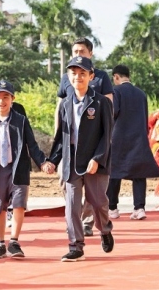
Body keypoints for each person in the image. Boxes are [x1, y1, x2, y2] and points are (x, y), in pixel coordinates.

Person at [44, 56, 114, 262]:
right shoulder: (65, 104)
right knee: (72, 204)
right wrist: (52, 160)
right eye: (73, 73)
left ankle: (105, 229)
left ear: (91, 76)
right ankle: (76, 246)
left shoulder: (101, 102)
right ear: (68, 76)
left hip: (94, 162)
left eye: (82, 73)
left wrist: (98, 159)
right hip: (71, 161)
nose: (78, 77)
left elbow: (107, 135)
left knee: (99, 202)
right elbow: (61, 137)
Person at [0, 80, 48, 259]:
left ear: (12, 99)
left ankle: (14, 242)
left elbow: (32, 144)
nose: (1, 101)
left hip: (18, 169)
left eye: (5, 97)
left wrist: (43, 162)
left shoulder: (21, 121)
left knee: (18, 206)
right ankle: (0, 244)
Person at [54, 37, 114, 236]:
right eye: (75, 51)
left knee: (97, 200)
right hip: (70, 151)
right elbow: (60, 109)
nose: (78, 55)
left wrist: (99, 156)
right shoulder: (66, 78)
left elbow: (108, 119)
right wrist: (53, 155)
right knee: (70, 194)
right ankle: (75, 240)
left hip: (93, 148)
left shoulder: (101, 78)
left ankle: (99, 226)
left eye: (82, 51)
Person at [106, 65, 159, 220]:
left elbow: (113, 113)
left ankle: (112, 208)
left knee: (114, 172)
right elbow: (145, 117)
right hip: (139, 136)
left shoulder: (116, 92)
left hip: (119, 137)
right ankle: (139, 208)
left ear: (116, 77)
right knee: (139, 173)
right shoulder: (141, 94)